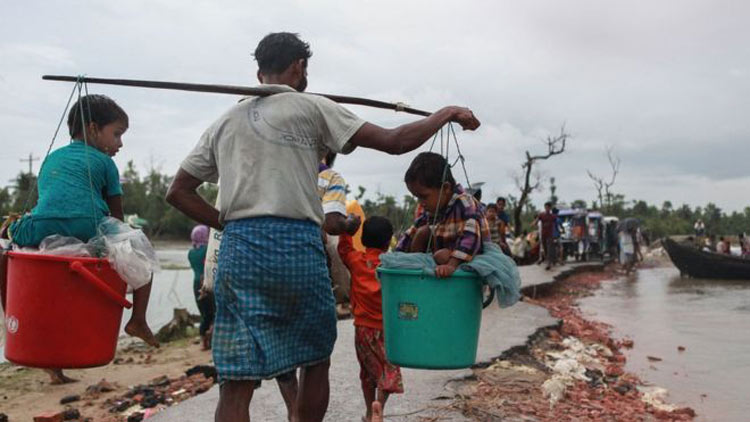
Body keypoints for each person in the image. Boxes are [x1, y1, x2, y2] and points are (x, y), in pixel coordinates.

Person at [165, 32, 479, 422]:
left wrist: (230, 224)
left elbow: (178, 192)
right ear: (298, 67)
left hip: (241, 251)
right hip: (296, 247)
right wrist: (446, 112)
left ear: (258, 71)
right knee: (314, 360)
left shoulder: (224, 122)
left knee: (236, 378)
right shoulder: (313, 107)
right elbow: (396, 141)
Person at [2, 95, 158, 384]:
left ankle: (17, 321)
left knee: (8, 244)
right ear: (93, 129)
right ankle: (138, 320)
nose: (120, 144)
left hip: (39, 227)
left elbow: (48, 202)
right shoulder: (105, 163)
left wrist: (14, 231)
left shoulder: (51, 158)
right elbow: (116, 216)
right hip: (89, 225)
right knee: (142, 255)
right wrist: (120, 245)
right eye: (117, 134)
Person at [337, 216, 403, 422]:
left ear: (363, 238)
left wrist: (347, 231)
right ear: (388, 241)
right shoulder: (391, 267)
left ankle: (368, 411)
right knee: (388, 371)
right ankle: (379, 407)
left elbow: (344, 249)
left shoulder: (356, 261)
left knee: (367, 373)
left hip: (362, 329)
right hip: (386, 330)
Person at [395, 152, 489, 278]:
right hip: (443, 258)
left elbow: (470, 236)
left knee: (442, 255)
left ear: (446, 188)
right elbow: (412, 232)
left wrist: (452, 264)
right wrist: (397, 256)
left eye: (423, 196)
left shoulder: (465, 202)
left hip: (470, 259)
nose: (421, 203)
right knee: (423, 232)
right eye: (417, 197)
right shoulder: (433, 207)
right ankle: (414, 273)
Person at [188, 225, 216, 350]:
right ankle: (211, 338)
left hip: (195, 284)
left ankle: (204, 341)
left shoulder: (191, 253)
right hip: (206, 283)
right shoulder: (206, 250)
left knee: (204, 313)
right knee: (213, 312)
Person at [531, 202, 557, 270]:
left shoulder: (553, 216)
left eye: (548, 207)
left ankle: (549, 263)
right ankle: (548, 260)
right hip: (543, 234)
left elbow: (555, 225)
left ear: (550, 208)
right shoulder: (541, 215)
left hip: (550, 235)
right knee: (545, 248)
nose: (547, 208)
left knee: (549, 248)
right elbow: (536, 220)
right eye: (546, 207)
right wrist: (533, 223)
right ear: (545, 207)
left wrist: (555, 233)